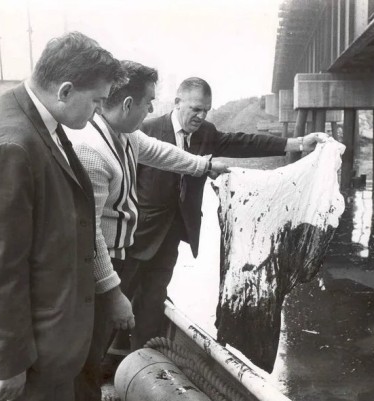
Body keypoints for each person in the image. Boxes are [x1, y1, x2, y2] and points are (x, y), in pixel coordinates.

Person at [0, 32, 125, 401]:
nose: (97, 111)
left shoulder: (36, 124)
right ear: (64, 91)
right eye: (96, 101)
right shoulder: (11, 145)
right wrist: (7, 363)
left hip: (45, 345)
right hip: (23, 363)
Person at [125, 77, 329, 350]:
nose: (201, 116)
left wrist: (298, 143)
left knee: (152, 298)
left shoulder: (206, 133)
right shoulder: (146, 130)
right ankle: (105, 360)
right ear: (177, 102)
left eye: (206, 110)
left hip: (173, 233)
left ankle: (139, 358)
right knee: (119, 297)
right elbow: (125, 183)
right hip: (136, 234)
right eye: (195, 109)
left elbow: (245, 143)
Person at [67, 61, 229, 401]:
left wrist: (205, 165)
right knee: (87, 354)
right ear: (128, 105)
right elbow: (90, 234)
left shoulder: (123, 134)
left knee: (97, 345)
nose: (154, 108)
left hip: (119, 255)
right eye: (149, 102)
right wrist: (113, 293)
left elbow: (160, 153)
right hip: (100, 264)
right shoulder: (91, 150)